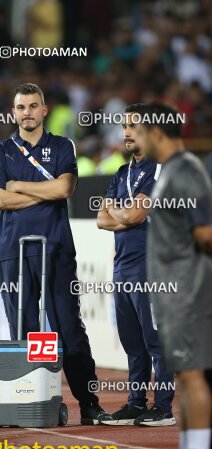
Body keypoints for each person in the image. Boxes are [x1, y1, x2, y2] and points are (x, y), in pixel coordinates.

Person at [0, 82, 112, 425]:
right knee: (24, 330)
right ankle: (29, 405)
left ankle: (89, 404)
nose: (27, 112)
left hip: (55, 248)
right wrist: (45, 192)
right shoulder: (0, 152)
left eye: (33, 106)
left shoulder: (61, 146)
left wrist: (20, 187)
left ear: (44, 111)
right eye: (20, 107)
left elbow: (65, 187)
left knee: (68, 328)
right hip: (13, 252)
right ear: (14, 112)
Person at [136, 102, 212, 449]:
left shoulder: (186, 172)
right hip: (172, 294)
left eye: (142, 129)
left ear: (158, 133)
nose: (137, 136)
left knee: (194, 374)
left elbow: (206, 232)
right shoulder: (170, 173)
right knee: (183, 374)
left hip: (188, 292)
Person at [97, 104, 175, 426]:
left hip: (150, 265)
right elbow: (101, 220)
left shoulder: (157, 169)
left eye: (134, 126)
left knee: (155, 338)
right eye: (125, 126)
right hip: (122, 264)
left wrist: (121, 213)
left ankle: (165, 407)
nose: (127, 132)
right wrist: (122, 215)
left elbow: (133, 215)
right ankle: (136, 403)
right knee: (132, 340)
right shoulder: (121, 173)